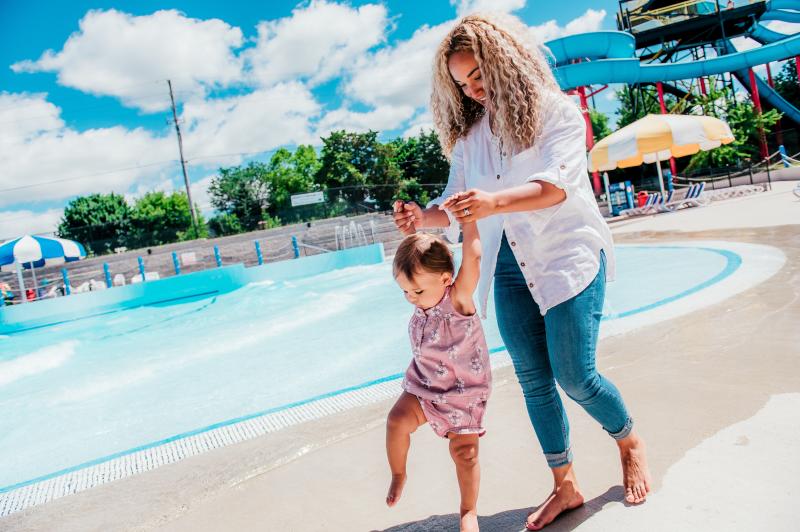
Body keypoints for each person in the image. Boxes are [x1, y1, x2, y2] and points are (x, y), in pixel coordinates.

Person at [392, 13, 651, 530]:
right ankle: (566, 485)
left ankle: (628, 440)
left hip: (567, 254)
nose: (473, 90)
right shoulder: (470, 137)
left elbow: (555, 186)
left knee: (575, 374)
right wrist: (425, 217)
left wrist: (492, 202)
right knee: (535, 380)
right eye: (462, 83)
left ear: (505, 61)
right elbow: (455, 201)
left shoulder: (557, 112)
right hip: (507, 265)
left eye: (478, 75)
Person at [385, 221, 490, 532]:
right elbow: (418, 255)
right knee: (396, 421)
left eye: (416, 290)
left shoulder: (458, 299)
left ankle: (468, 510)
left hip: (463, 392)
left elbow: (473, 260)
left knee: (465, 453)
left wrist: (469, 223)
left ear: (446, 279)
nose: (411, 298)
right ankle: (398, 473)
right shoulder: (423, 301)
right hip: (424, 386)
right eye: (404, 291)